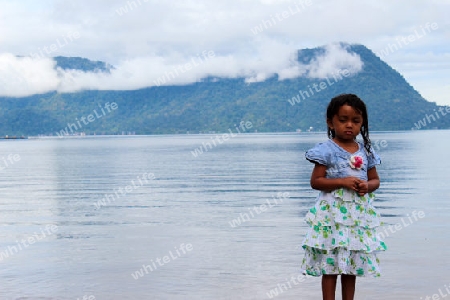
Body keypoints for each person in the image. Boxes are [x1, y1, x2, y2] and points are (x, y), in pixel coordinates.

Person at [300, 94, 387, 300]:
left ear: (362, 123)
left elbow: (375, 180)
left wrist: (367, 185)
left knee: (351, 265)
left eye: (355, 121)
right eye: (343, 120)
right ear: (331, 122)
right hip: (332, 218)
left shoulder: (366, 150)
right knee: (330, 264)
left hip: (356, 218)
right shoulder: (327, 150)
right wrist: (343, 181)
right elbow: (316, 181)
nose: (349, 125)